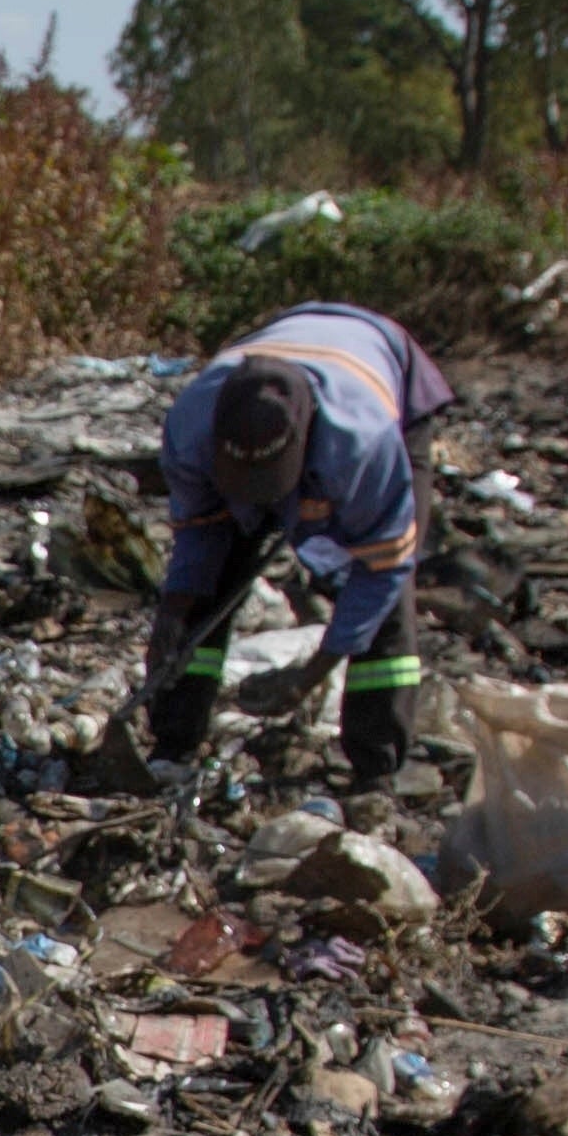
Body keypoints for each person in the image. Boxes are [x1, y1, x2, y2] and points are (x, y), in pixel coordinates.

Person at [147, 300, 452, 786]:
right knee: (213, 581)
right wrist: (173, 614)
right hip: (288, 339)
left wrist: (311, 674)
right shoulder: (190, 428)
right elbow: (199, 533)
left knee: (388, 600)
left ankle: (376, 765)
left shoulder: (363, 445)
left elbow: (384, 565)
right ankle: (173, 740)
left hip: (382, 364)